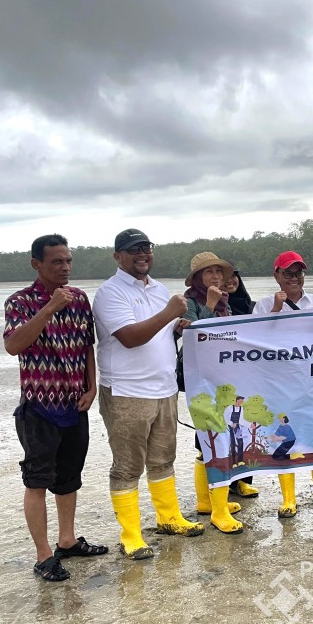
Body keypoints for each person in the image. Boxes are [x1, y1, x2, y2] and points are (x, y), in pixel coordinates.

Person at [93, 229, 205, 558]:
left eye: (146, 248)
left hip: (164, 388)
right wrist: (169, 314)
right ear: (118, 256)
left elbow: (162, 332)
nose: (142, 254)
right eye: (133, 250)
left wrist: (178, 325)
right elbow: (130, 337)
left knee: (162, 459)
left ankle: (168, 518)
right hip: (126, 390)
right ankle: (130, 535)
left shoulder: (159, 290)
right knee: (127, 466)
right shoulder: (110, 292)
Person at [4, 234, 108, 582]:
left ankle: (67, 540)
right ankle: (43, 555)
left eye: (68, 261)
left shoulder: (79, 299)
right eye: (56, 262)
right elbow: (14, 345)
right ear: (37, 264)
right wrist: (48, 308)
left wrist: (92, 387)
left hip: (75, 403)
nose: (65, 267)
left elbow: (87, 346)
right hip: (39, 407)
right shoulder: (20, 302)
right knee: (36, 481)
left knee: (69, 479)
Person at [253, 250, 313, 516]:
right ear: (277, 275)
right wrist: (275, 310)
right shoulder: (262, 305)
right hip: (280, 385)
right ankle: (288, 498)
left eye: (299, 273)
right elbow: (255, 340)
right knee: (284, 441)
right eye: (288, 273)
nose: (294, 278)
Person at [182, 251, 248, 532]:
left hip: (222, 377)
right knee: (212, 440)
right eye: (209, 272)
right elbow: (194, 335)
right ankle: (216, 510)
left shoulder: (226, 302)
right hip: (201, 380)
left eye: (219, 272)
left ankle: (207, 502)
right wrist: (209, 305)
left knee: (214, 438)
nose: (216, 277)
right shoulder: (189, 302)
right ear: (198, 278)